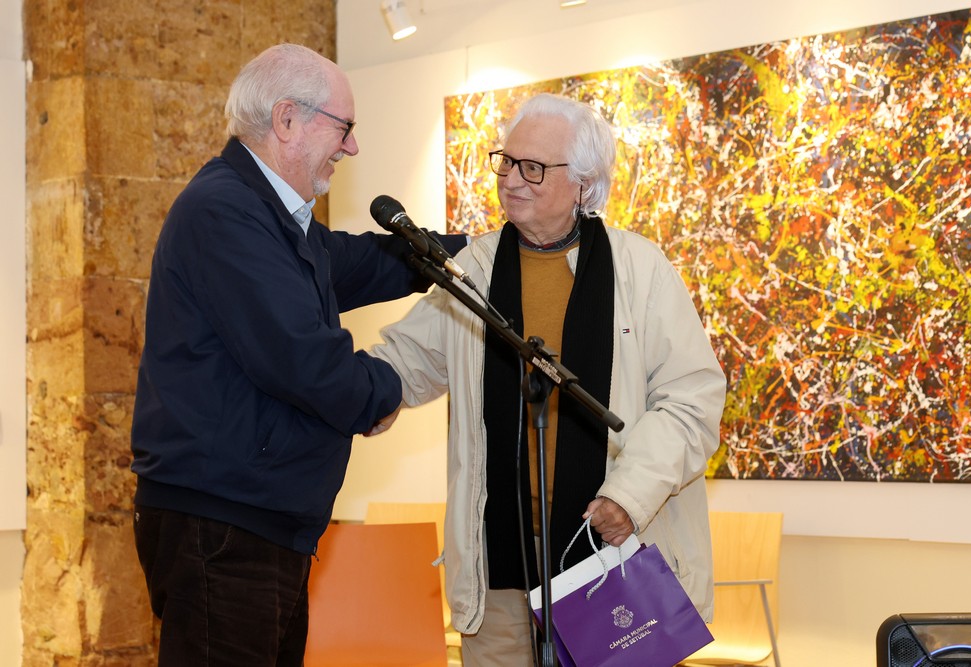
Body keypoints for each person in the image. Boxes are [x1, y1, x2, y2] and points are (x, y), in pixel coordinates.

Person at [129, 43, 465, 666]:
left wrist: (468, 258)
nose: (351, 147)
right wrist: (382, 390)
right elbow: (302, 358)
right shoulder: (225, 211)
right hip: (224, 527)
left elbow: (360, 261)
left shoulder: (271, 219)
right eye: (344, 128)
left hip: (256, 524)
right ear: (287, 120)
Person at [371, 92, 728, 666]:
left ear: (585, 184)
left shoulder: (641, 270)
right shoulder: (476, 272)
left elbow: (692, 400)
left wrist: (629, 497)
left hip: (611, 557)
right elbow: (405, 364)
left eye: (533, 167)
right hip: (499, 571)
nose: (511, 179)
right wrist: (329, 386)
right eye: (506, 161)